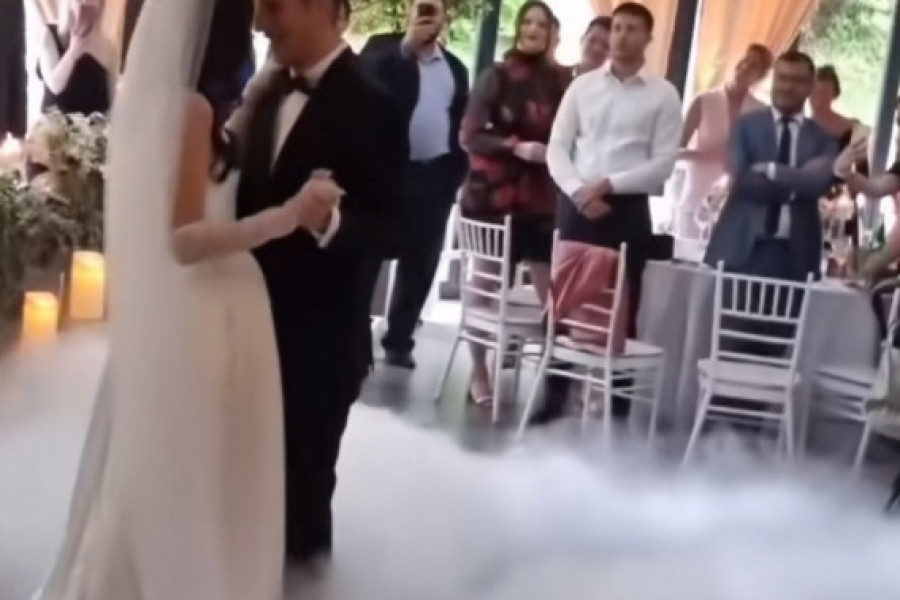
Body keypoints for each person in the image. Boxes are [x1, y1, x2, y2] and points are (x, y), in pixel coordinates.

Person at [30, 0, 347, 597]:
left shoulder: (173, 105)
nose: (259, 25)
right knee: (201, 465)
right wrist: (287, 217)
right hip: (206, 306)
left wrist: (258, 96)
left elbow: (203, 176)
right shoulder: (191, 110)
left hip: (197, 306)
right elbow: (184, 239)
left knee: (173, 464)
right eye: (249, 16)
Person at [245, 0, 407, 574]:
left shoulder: (374, 104)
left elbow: (395, 229)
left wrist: (330, 223)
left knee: (302, 501)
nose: (259, 22)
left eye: (273, 6)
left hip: (318, 345)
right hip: (243, 333)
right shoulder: (265, 92)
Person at [537, 2, 682, 425]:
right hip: (577, 203)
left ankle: (616, 411)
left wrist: (610, 185)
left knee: (622, 306)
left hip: (626, 209)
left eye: (632, 29)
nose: (621, 36)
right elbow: (557, 147)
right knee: (564, 303)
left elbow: (663, 163)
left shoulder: (663, 94)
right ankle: (553, 400)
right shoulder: (582, 87)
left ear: (648, 38)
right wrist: (578, 190)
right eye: (617, 27)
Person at [459, 0, 565, 405]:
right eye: (528, 22)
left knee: (551, 294)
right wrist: (514, 146)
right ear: (519, 28)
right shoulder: (497, 75)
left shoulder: (561, 82)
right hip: (494, 196)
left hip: (540, 199)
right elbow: (469, 135)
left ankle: (555, 385)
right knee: (484, 284)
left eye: (542, 24)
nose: (534, 29)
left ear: (552, 34)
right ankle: (478, 371)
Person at [362, 0, 470, 369]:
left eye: (433, 9)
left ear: (444, 17)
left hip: (434, 176)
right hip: (387, 174)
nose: (425, 16)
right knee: (369, 255)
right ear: (408, 11)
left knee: (421, 260)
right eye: (420, 7)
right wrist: (405, 49)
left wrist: (454, 174)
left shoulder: (455, 67)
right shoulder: (382, 48)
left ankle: (399, 339)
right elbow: (363, 82)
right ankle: (355, 336)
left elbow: (459, 120)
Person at [704, 51, 837, 282]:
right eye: (782, 78)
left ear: (810, 87)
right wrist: (799, 183)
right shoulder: (746, 127)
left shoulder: (823, 139)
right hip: (740, 247)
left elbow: (819, 185)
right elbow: (742, 181)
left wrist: (772, 171)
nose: (787, 87)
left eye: (797, 81)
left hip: (797, 254)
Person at [676, 43, 772, 239]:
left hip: (735, 208)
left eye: (753, 65)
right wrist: (705, 155)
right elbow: (674, 151)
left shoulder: (761, 112)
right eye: (745, 60)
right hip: (694, 202)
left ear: (760, 76)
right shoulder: (704, 101)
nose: (745, 67)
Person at [37, 0, 117, 115]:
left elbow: (112, 101)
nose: (84, 2)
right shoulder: (50, 35)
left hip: (93, 125)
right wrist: (74, 51)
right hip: (55, 124)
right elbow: (54, 86)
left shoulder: (108, 48)